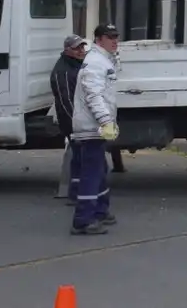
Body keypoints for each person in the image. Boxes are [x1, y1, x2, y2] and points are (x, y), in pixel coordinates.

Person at [70, 24, 120, 235]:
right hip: (92, 126)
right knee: (92, 173)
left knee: (99, 170)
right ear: (99, 39)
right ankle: (83, 220)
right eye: (110, 37)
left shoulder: (102, 60)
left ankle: (99, 210)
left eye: (116, 37)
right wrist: (106, 121)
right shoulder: (96, 63)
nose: (115, 40)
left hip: (94, 126)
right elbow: (93, 95)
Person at [50, 35, 88, 201]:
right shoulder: (63, 72)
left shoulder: (77, 66)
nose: (81, 51)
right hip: (73, 122)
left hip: (79, 121)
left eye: (82, 47)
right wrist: (76, 125)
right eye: (77, 48)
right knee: (80, 157)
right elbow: (65, 101)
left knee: (80, 157)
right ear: (67, 50)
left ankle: (76, 191)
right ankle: (76, 193)